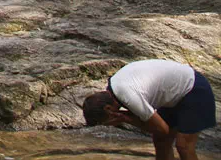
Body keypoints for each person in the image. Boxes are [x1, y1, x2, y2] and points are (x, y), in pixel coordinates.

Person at [82, 59, 216, 159]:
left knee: (184, 146)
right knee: (161, 141)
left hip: (194, 89)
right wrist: (127, 117)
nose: (111, 125)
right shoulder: (114, 88)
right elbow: (159, 131)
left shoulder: (128, 96)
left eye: (106, 122)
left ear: (108, 109)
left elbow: (162, 129)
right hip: (173, 94)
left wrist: (127, 119)